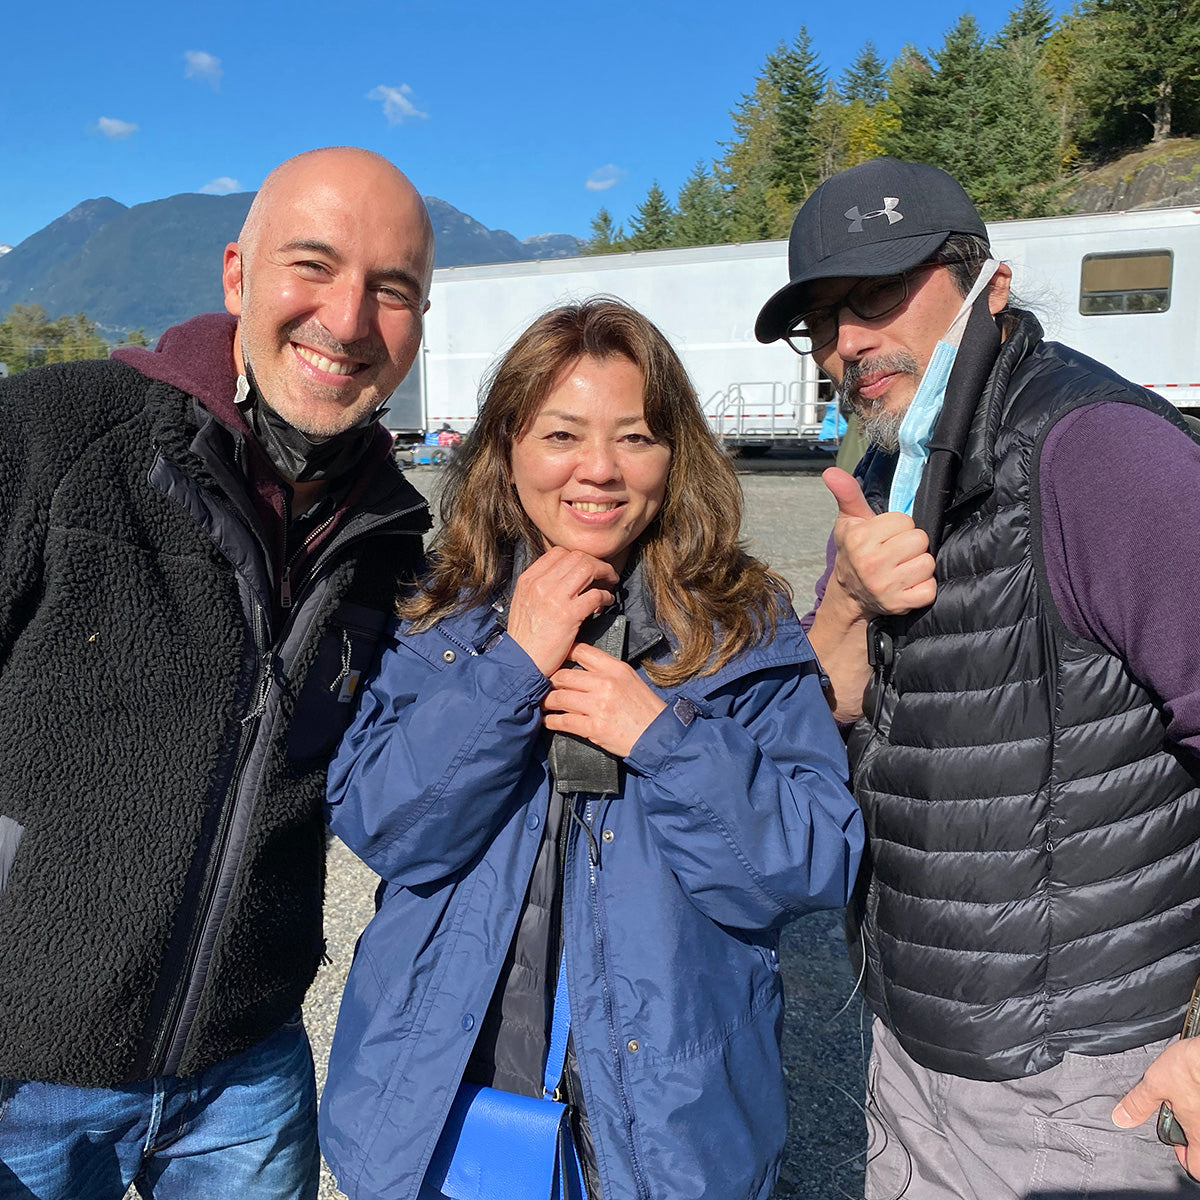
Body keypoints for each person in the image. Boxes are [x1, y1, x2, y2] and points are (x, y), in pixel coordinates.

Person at [318, 298, 865, 1200]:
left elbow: (810, 864)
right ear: (506, 449)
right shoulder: (435, 610)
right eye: (562, 434)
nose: (600, 471)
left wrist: (662, 735)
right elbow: (386, 826)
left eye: (638, 438)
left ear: (676, 453)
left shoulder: (743, 622)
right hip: (446, 1107)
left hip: (668, 1130)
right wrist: (513, 666)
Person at [754, 155, 1200, 1197]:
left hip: (1081, 1078)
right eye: (820, 321)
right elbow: (827, 708)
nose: (846, 344)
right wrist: (851, 601)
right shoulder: (888, 467)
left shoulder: (1093, 453)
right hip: (912, 1051)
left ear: (988, 287)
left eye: (875, 298)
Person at [0, 147, 435, 1198]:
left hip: (247, 1072)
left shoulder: (393, 537)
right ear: (236, 275)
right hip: (21, 1082)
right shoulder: (54, 437)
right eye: (313, 266)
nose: (347, 317)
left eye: (392, 289)